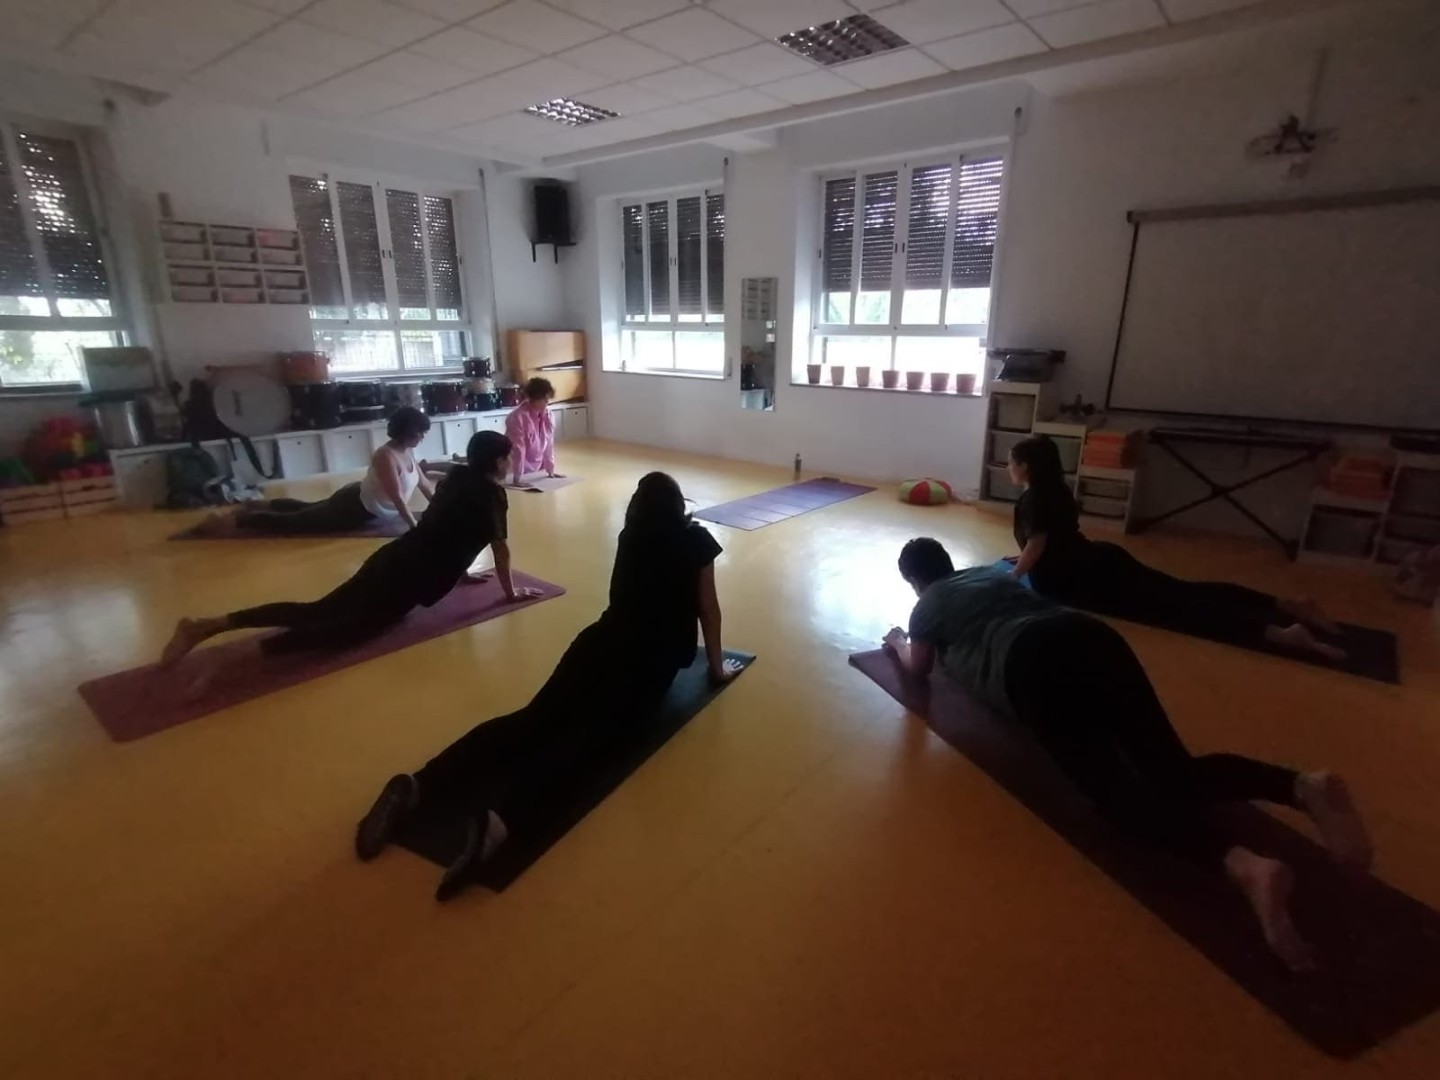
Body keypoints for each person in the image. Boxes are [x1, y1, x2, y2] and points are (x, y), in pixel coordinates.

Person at [883, 538, 1373, 972]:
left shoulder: (927, 607)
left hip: (1029, 665)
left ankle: (1246, 866)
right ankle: (1299, 785)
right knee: (1173, 769)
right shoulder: (988, 575)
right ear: (948, 562)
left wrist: (898, 642)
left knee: (1118, 798)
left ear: (913, 582)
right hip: (1089, 635)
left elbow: (919, 669)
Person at [353, 471, 743, 900]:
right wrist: (716, 668)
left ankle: (419, 785)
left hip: (597, 644)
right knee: (591, 744)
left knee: (534, 721)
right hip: (648, 661)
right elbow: (709, 609)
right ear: (678, 505)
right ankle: (499, 823)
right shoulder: (696, 542)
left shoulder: (631, 535)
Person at [159, 430, 539, 673]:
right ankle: (226, 656)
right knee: (342, 631)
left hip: (394, 558)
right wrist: (509, 593)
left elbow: (449, 530)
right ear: (498, 462)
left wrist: (463, 571)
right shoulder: (491, 494)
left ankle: (209, 626)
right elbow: (499, 547)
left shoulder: (457, 477)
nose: (512, 462)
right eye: (509, 457)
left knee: (319, 611)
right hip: (409, 578)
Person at [1006, 435, 1344, 661]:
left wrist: (1016, 575)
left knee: (1178, 609)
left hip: (1078, 580)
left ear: (1026, 467)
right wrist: (1023, 559)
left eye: (1012, 463)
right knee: (1182, 590)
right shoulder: (1058, 489)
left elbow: (1039, 542)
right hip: (1100, 558)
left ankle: (1280, 633)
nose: (1010, 469)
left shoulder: (1032, 500)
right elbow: (1054, 537)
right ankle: (1288, 604)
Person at [218, 407, 435, 535]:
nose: (423, 438)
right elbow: (397, 498)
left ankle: (258, 505)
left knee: (306, 509)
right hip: (353, 508)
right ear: (406, 432)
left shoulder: (407, 452)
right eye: (420, 433)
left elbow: (424, 484)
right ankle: (237, 520)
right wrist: (414, 527)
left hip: (359, 501)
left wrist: (441, 508)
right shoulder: (385, 456)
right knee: (297, 521)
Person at [504, 377, 561, 487]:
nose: (547, 402)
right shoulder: (517, 417)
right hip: (514, 469)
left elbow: (549, 444)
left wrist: (550, 470)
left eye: (548, 398)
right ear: (534, 398)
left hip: (536, 468)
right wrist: (517, 479)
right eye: (544, 399)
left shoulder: (549, 415)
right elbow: (518, 449)